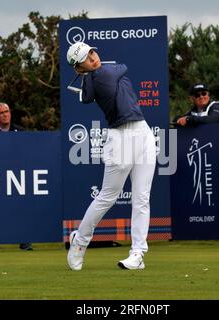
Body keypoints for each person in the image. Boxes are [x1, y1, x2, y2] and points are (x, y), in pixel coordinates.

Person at [66, 42, 156, 271]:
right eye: (86, 58)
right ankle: (80, 241)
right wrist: (98, 69)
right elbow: (122, 66)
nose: (93, 58)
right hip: (120, 137)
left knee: (142, 198)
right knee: (107, 197)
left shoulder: (92, 78)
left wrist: (86, 73)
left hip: (143, 132)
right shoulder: (102, 75)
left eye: (92, 52)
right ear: (79, 68)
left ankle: (137, 254)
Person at [0, 102, 33, 252]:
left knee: (20, 208)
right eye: (2, 113)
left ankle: (24, 241)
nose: (5, 114)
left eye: (7, 111)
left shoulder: (21, 131)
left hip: (18, 176)